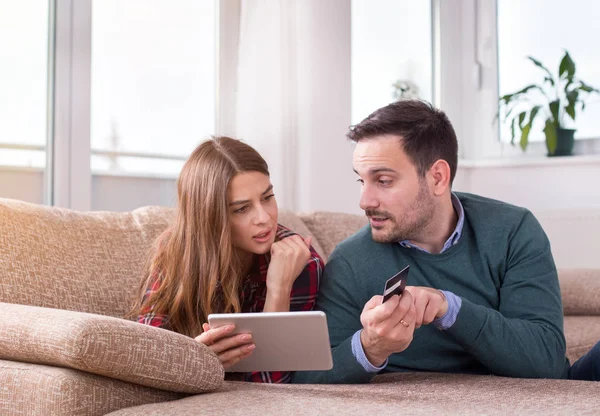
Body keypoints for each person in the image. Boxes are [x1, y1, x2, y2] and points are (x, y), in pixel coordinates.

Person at [292, 99, 599, 384]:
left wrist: (449, 308)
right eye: (362, 180)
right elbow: (306, 381)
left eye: (383, 181)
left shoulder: (512, 230)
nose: (364, 200)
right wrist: (370, 347)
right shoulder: (351, 260)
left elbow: (545, 363)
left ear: (437, 177)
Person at [132, 136, 323, 383]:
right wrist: (194, 361)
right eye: (242, 209)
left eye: (267, 197)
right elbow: (144, 357)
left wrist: (279, 290)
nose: (264, 218)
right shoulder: (175, 253)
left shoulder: (301, 263)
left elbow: (272, 388)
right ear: (209, 216)